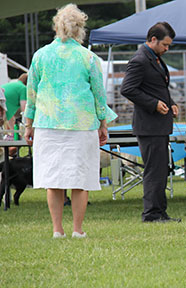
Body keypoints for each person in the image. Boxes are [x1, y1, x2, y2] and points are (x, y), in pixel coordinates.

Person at [23, 4, 117, 238]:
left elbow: (31, 93)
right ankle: (77, 229)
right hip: (82, 124)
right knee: (80, 179)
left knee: (53, 179)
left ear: (56, 27)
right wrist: (103, 123)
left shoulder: (41, 55)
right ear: (80, 29)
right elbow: (98, 94)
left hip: (48, 124)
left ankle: (57, 230)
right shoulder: (88, 57)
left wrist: (28, 124)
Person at [120, 22, 181, 223]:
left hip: (159, 125)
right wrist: (153, 104)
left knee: (161, 169)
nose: (167, 49)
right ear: (153, 39)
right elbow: (128, 89)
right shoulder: (139, 60)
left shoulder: (154, 58)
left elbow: (157, 88)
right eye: (165, 44)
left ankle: (160, 212)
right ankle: (151, 214)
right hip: (149, 126)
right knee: (154, 170)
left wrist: (169, 103)